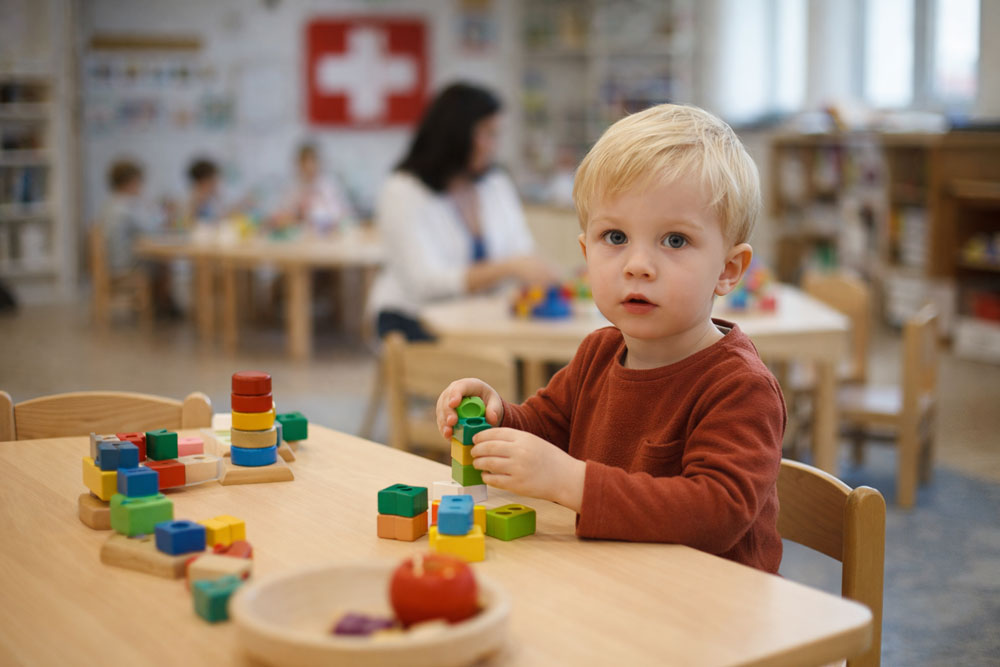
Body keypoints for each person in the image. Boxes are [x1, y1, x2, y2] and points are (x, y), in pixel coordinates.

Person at [434, 104, 786, 573]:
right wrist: (495, 416)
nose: (636, 264)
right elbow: (544, 431)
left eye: (675, 241)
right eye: (615, 237)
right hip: (613, 583)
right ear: (585, 253)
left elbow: (717, 513)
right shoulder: (598, 353)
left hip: (711, 613)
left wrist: (571, 482)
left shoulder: (740, 387)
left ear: (728, 270)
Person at [367, 82, 558, 341]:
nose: (493, 145)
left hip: (484, 316)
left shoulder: (496, 185)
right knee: (494, 368)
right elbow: (424, 284)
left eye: (497, 135)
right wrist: (508, 267)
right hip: (414, 316)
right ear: (455, 135)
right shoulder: (402, 190)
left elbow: (522, 251)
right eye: (487, 134)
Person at [96, 160, 176, 316]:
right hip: (123, 264)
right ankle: (162, 307)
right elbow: (150, 229)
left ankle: (157, 304)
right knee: (163, 263)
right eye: (139, 182)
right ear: (130, 183)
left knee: (157, 262)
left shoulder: (110, 203)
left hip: (111, 261)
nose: (141, 187)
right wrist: (163, 212)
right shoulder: (125, 205)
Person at [272, 142, 355, 235]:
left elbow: (343, 216)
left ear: (318, 162)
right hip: (298, 239)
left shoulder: (328, 185)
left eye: (312, 162)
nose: (309, 167)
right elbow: (280, 215)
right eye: (304, 163)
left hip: (327, 238)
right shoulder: (292, 187)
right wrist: (294, 215)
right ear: (298, 164)